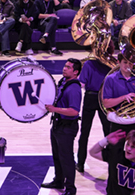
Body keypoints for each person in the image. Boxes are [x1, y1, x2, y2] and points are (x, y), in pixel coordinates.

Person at [40, 58, 83, 195]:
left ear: (76, 72)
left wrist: (54, 109)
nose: (65, 68)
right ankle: (58, 180)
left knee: (67, 158)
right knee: (57, 156)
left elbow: (74, 111)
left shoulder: (74, 89)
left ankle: (71, 189)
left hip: (67, 127)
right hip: (58, 124)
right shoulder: (63, 82)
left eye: (68, 67)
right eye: (65, 66)